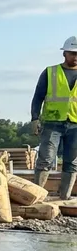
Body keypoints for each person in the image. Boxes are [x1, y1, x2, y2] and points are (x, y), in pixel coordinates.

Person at [31, 36, 77, 199]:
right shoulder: (50, 72)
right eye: (72, 53)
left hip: (76, 125)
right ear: (64, 53)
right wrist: (35, 118)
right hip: (52, 124)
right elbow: (38, 97)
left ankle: (64, 197)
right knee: (46, 160)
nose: (75, 57)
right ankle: (36, 196)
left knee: (72, 162)